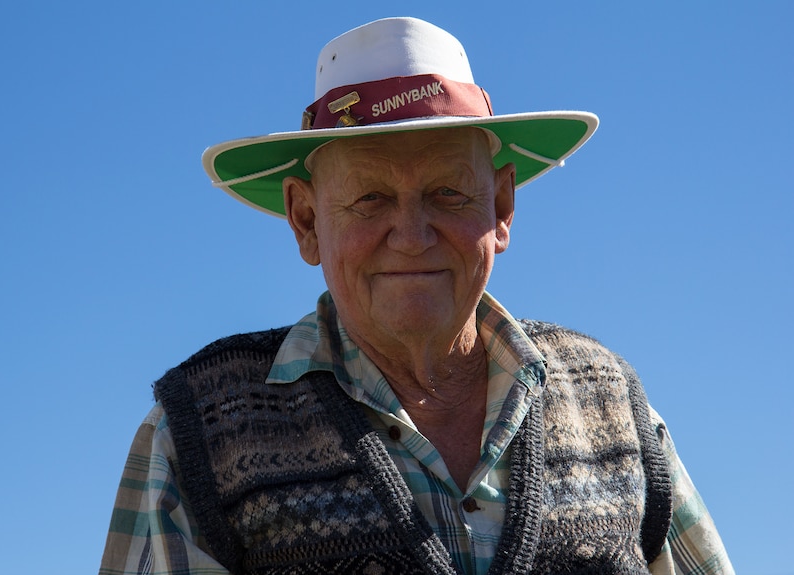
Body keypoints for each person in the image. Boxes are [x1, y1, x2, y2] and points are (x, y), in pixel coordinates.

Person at [99, 17, 733, 575]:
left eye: (449, 194)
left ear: (502, 207)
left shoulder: (611, 402)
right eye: (370, 198)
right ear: (306, 222)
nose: (412, 235)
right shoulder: (198, 434)